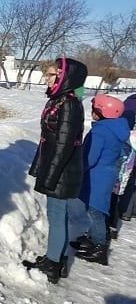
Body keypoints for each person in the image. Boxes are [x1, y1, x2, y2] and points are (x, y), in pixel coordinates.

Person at [22, 57, 88, 284]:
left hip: (62, 170)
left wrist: (50, 176)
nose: (46, 79)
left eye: (51, 75)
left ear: (64, 77)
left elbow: (63, 144)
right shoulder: (60, 100)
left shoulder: (69, 104)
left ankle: (53, 264)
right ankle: (55, 258)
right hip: (56, 167)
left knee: (58, 216)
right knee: (57, 215)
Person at [70, 95, 130, 266]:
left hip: (97, 175)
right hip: (107, 173)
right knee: (97, 209)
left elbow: (91, 157)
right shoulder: (116, 128)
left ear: (104, 112)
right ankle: (93, 238)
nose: (92, 112)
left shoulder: (101, 130)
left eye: (95, 110)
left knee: (96, 211)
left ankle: (99, 247)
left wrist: (78, 170)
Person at [107, 108, 136, 239]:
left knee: (111, 201)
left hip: (117, 174)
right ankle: (113, 225)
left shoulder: (126, 137)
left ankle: (109, 227)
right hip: (126, 174)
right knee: (116, 200)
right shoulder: (131, 137)